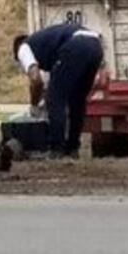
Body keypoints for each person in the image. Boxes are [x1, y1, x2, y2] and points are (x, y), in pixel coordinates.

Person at [13, 23, 104, 158]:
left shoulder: (23, 48)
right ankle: (73, 149)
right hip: (96, 46)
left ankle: (57, 150)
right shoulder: (42, 43)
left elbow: (36, 80)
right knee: (77, 100)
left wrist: (34, 105)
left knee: (55, 101)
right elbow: (58, 79)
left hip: (76, 46)